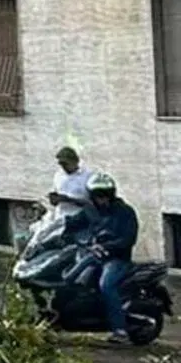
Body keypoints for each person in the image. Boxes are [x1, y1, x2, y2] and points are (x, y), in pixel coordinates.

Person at [72, 173, 140, 344]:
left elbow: (128, 239)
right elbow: (73, 224)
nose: (100, 200)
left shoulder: (125, 212)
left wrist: (107, 247)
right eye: (96, 196)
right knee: (71, 277)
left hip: (117, 259)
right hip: (92, 255)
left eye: (103, 196)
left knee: (106, 285)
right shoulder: (90, 210)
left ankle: (120, 330)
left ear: (111, 194)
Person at [48, 146, 94, 212]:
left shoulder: (88, 176)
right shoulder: (58, 175)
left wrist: (69, 199)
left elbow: (93, 204)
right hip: (60, 216)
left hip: (80, 216)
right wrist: (54, 200)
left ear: (75, 161)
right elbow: (54, 201)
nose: (63, 167)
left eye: (65, 164)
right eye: (60, 164)